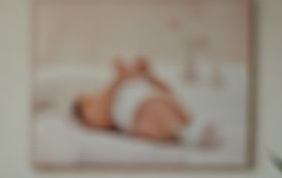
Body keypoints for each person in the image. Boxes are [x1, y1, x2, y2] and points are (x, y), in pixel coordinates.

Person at [72, 56, 220, 148]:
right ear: (83, 113)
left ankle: (191, 129)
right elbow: (100, 117)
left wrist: (148, 74)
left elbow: (167, 91)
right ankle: (189, 132)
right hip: (141, 114)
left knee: (170, 105)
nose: (96, 96)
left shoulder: (118, 90)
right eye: (89, 100)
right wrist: (119, 77)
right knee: (160, 115)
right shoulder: (95, 114)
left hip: (159, 100)